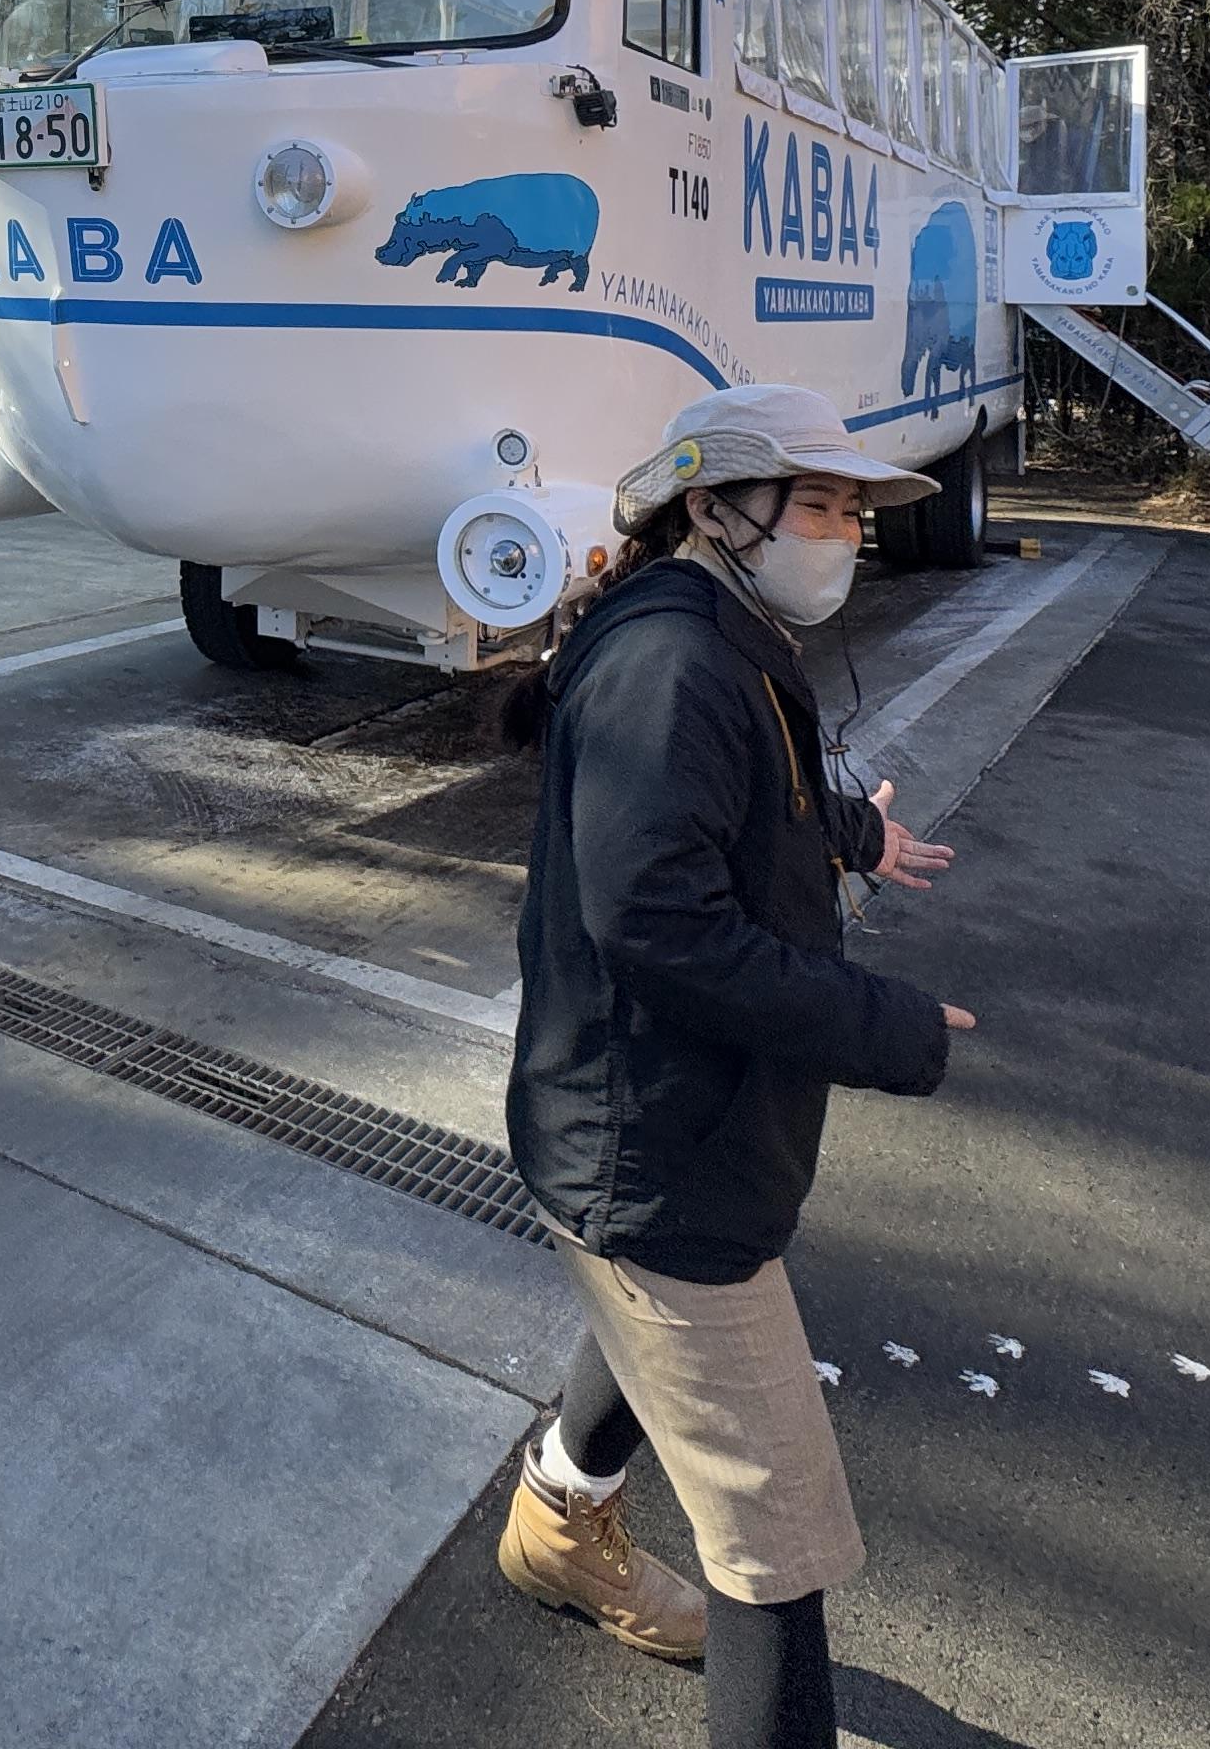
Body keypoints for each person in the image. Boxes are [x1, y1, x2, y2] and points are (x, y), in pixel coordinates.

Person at [494, 383, 973, 1749]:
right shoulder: (676, 663)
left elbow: (738, 800)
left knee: (652, 1326)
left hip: (665, 1130)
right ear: (716, 507)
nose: (845, 534)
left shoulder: (717, 635)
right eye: (818, 504)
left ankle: (558, 1522)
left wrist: (851, 834)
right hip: (652, 1145)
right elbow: (658, 922)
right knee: (778, 1542)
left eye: (853, 511)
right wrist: (884, 1024)